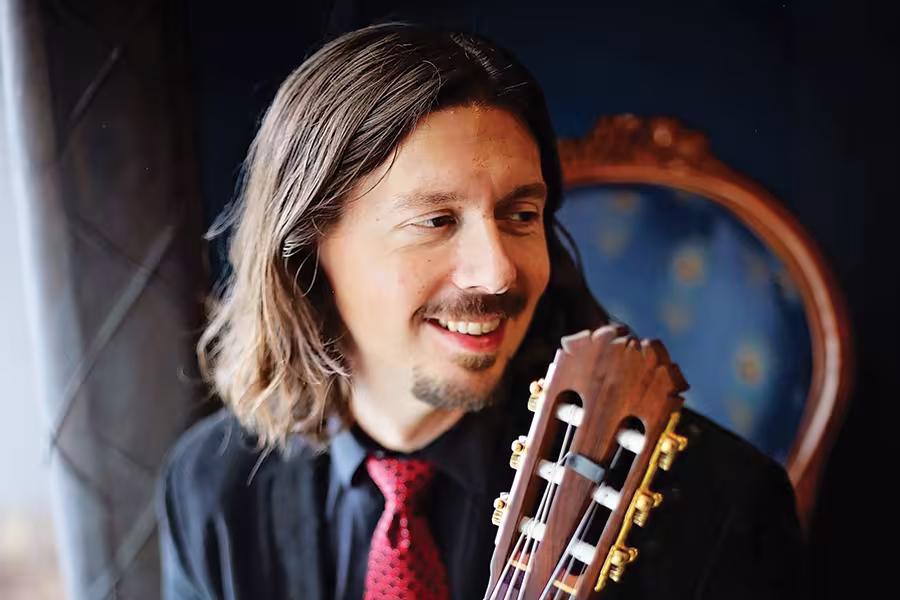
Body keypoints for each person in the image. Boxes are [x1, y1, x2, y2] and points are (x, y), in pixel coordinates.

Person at [157, 22, 807, 600]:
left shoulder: (715, 505)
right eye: (436, 220)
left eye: (520, 215)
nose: (496, 270)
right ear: (309, 250)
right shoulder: (210, 489)